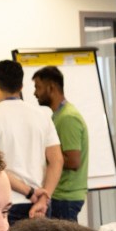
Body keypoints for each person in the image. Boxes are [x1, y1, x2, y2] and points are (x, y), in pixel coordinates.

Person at [0, 59, 61, 224]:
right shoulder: (42, 116)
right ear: (21, 86)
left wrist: (29, 192)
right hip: (41, 205)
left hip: (9, 204)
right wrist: (43, 198)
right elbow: (57, 160)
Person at [32, 65, 90, 221]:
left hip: (65, 198)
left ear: (51, 88)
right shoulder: (58, 116)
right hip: (62, 197)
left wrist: (47, 155)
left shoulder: (67, 118)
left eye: (38, 87)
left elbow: (73, 160)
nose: (35, 93)